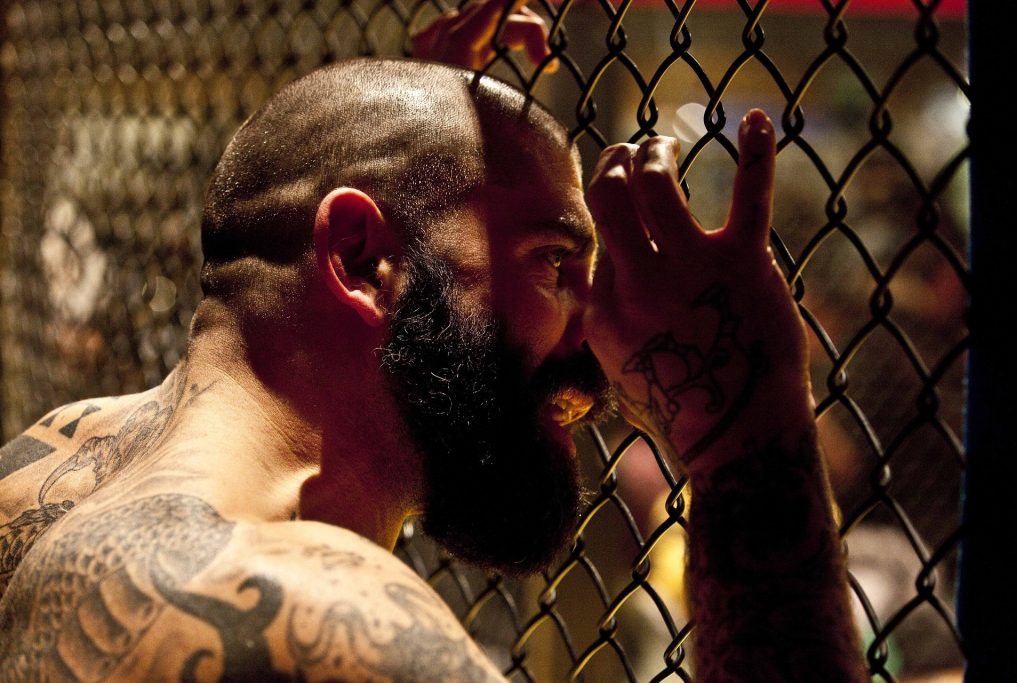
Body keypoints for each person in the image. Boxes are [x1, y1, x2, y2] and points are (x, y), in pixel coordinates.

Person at [0, 3, 866, 681]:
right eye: (552, 261)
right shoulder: (331, 626)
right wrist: (747, 425)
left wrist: (425, 148)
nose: (597, 335)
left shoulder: (41, 469)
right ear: (362, 256)